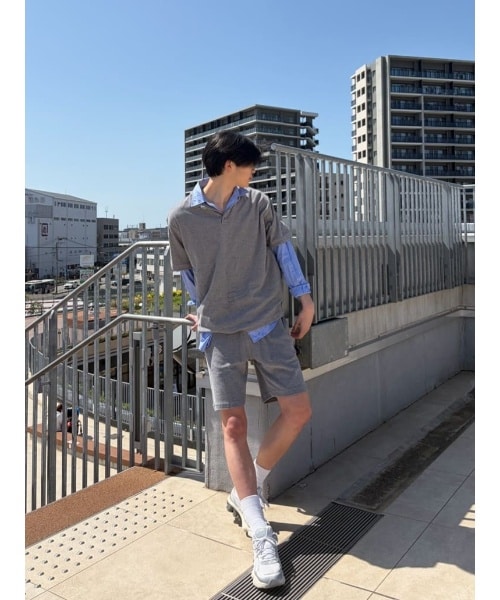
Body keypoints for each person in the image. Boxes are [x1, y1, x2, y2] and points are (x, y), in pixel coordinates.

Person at [168, 130, 314, 589]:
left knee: (298, 411)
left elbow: (282, 250)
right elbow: (187, 272)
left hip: (268, 323)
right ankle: (259, 529)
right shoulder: (181, 217)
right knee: (232, 426)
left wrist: (304, 298)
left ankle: (245, 492)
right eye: (250, 164)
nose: (254, 172)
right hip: (220, 333)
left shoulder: (258, 204)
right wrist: (200, 308)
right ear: (229, 165)